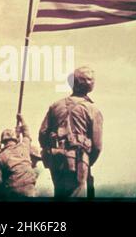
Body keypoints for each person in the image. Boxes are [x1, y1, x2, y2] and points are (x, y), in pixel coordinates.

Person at [39, 66, 103, 198]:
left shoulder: (56, 106)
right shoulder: (92, 109)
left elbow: (43, 135)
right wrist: (87, 161)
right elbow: (97, 146)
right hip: (78, 161)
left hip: (56, 160)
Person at [0, 114, 38, 199]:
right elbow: (27, 135)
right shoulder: (24, 146)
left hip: (13, 190)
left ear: (3, 141)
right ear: (15, 139)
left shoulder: (0, 156)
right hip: (29, 187)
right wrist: (22, 120)